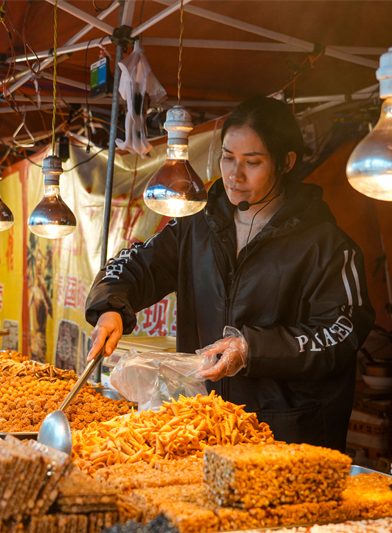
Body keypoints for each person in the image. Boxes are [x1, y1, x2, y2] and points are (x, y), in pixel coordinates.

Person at [84, 96, 375, 451]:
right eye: (227, 157)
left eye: (252, 162)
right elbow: (135, 265)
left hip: (288, 436)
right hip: (207, 426)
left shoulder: (326, 246)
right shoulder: (196, 226)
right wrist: (110, 306)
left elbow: (342, 334)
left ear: (286, 162)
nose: (235, 175)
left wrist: (251, 349)